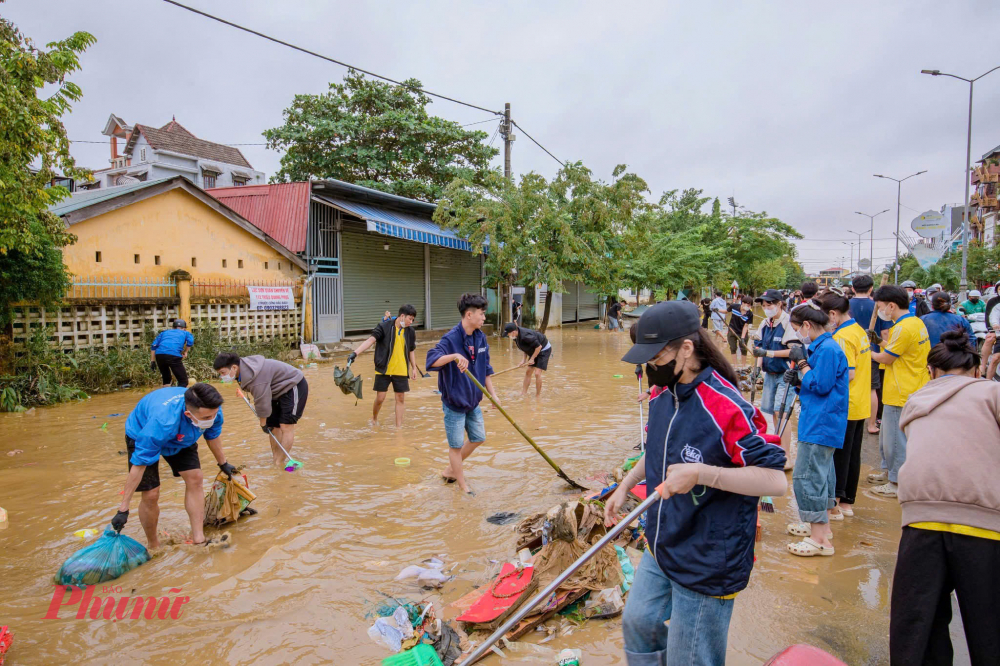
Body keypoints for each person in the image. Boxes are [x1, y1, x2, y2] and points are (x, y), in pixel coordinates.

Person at [605, 301, 787, 665]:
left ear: (686, 350)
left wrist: (704, 474)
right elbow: (657, 451)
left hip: (708, 556)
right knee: (638, 623)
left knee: (689, 658)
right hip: (663, 540)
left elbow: (775, 481)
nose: (650, 368)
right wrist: (625, 485)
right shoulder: (663, 395)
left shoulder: (727, 407)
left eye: (655, 357)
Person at [890, 330, 1000, 665]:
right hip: (983, 521)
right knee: (989, 628)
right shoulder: (992, 392)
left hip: (920, 521)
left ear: (930, 371)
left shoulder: (915, 401)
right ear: (976, 370)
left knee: (916, 631)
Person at [112, 383, 237, 548]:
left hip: (183, 436)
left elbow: (212, 436)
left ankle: (198, 539)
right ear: (188, 414)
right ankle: (153, 545)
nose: (212, 419)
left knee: (195, 478)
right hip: (143, 433)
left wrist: (223, 463)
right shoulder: (161, 422)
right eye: (207, 418)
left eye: (214, 415)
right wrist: (123, 509)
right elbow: (140, 464)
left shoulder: (213, 412)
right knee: (151, 494)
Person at [784, 301, 849, 557]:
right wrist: (799, 382)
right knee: (820, 475)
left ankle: (820, 539)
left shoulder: (828, 350)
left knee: (808, 476)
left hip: (822, 423)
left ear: (808, 325)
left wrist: (801, 366)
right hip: (818, 418)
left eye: (798, 328)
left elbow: (821, 385)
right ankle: (821, 528)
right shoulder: (822, 347)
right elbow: (816, 385)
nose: (798, 334)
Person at [426, 293, 497, 495]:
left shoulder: (480, 338)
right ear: (469, 315)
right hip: (454, 403)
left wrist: (493, 395)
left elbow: (486, 370)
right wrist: (454, 356)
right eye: (482, 314)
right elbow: (431, 361)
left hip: (473, 400)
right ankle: (462, 485)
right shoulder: (450, 339)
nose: (484, 318)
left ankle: (450, 470)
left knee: (479, 437)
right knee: (455, 446)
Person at [868, 285, 930, 497]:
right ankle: (889, 471)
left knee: (896, 439)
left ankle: (896, 482)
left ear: (891, 305)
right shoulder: (914, 322)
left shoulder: (903, 328)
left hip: (902, 390)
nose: (880, 311)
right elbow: (897, 349)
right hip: (909, 384)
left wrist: (870, 352)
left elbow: (887, 358)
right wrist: (879, 341)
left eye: (880, 307)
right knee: (888, 437)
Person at [820, 291, 871, 520]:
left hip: (846, 403)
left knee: (839, 455)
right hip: (860, 402)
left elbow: (847, 374)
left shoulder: (841, 337)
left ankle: (835, 503)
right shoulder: (859, 330)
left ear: (833, 314)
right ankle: (848, 502)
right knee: (852, 454)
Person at [213, 352, 308, 466]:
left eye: (223, 373)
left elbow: (262, 402)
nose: (222, 377)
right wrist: (267, 424)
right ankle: (276, 459)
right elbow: (262, 399)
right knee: (273, 426)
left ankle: (279, 462)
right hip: (274, 391)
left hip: (293, 385)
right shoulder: (243, 371)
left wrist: (263, 424)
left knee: (286, 425)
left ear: (234, 367)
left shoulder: (255, 377)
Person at [348, 304, 418, 427]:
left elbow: (411, 350)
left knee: (400, 398)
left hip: (401, 369)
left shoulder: (410, 331)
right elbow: (370, 341)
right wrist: (355, 353)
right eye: (410, 319)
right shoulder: (384, 327)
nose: (411, 322)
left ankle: (398, 428)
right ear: (402, 316)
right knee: (380, 398)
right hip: (383, 368)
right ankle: (374, 418)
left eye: (412, 320)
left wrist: (413, 368)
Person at [752, 289, 799, 468]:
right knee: (773, 412)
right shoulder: (765, 323)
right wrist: (756, 370)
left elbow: (794, 351)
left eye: (769, 304)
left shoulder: (788, 323)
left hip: (786, 374)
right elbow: (758, 349)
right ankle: (779, 449)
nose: (766, 308)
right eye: (764, 305)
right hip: (769, 374)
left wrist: (769, 353)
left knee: (783, 412)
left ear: (780, 303)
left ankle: (786, 455)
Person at [849, 274, 889, 436]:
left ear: (852, 288)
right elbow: (885, 333)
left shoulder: (845, 305)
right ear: (871, 289)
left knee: (850, 385)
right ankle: (871, 424)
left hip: (849, 351)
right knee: (872, 388)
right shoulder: (878, 307)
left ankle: (849, 418)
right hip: (871, 352)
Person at [503, 322, 552, 396]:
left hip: (544, 349)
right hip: (534, 349)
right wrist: (524, 360)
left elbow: (539, 347)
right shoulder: (515, 336)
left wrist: (532, 359)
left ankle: (537, 396)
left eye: (508, 334)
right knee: (528, 372)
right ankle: (523, 393)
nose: (508, 336)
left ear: (513, 332)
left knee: (537, 373)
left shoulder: (526, 336)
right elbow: (525, 347)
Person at [149, 318, 194, 388]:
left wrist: (152, 361)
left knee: (166, 379)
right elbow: (190, 342)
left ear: (173, 327)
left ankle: (166, 396)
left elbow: (154, 346)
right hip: (173, 356)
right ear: (184, 328)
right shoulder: (186, 333)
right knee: (183, 381)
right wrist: (185, 352)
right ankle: (179, 397)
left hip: (159, 355)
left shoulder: (164, 332)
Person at [727, 295, 754, 369]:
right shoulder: (734, 307)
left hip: (742, 332)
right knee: (733, 348)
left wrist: (742, 338)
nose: (748, 306)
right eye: (747, 304)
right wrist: (717, 310)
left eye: (749, 305)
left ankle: (743, 366)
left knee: (743, 349)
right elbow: (726, 311)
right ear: (742, 303)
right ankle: (735, 366)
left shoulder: (750, 314)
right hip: (732, 330)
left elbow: (746, 326)